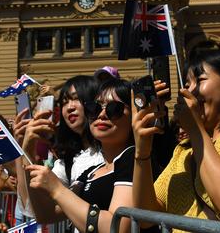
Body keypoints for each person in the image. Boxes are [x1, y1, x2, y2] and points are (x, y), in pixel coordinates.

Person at [131, 50, 220, 229]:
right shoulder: (183, 151)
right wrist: (142, 151)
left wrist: (195, 129)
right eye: (187, 84)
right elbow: (144, 217)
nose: (189, 91)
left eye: (200, 80)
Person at [26, 79, 137, 233]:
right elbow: (45, 215)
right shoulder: (91, 172)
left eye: (114, 108)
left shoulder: (135, 159)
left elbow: (116, 227)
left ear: (134, 115)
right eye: (94, 108)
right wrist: (26, 153)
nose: (102, 114)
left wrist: (57, 189)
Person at [17, 75, 104, 224]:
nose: (69, 107)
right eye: (64, 102)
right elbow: (36, 209)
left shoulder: (113, 149)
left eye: (76, 99)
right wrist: (24, 149)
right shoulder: (68, 162)